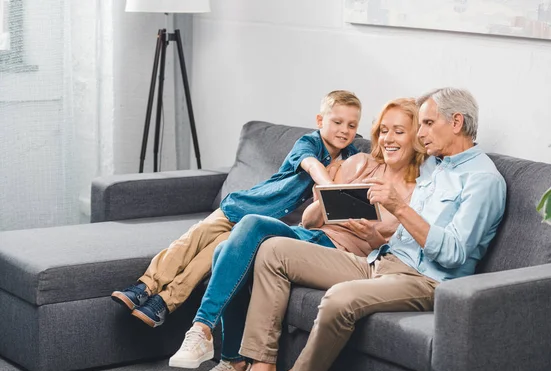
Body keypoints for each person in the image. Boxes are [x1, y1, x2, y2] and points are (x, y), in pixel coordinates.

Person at [203, 87, 507, 371]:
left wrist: (399, 208)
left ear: (456, 122)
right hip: (381, 261)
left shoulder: (483, 181)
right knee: (273, 250)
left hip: (426, 280)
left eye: (427, 123)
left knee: (338, 298)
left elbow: (454, 254)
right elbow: (387, 151)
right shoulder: (435, 164)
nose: (420, 133)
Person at [168, 98, 427, 371]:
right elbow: (309, 220)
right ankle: (225, 355)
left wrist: (370, 233)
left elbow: (387, 249)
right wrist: (326, 202)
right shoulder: (360, 162)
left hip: (340, 254)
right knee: (229, 244)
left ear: (416, 136)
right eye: (383, 130)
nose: (388, 138)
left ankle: (215, 342)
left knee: (242, 234)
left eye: (398, 131)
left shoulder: (418, 190)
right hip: (310, 235)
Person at [110, 90, 362, 327]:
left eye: (352, 125)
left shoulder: (351, 158)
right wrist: (331, 186)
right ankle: (145, 286)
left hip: (257, 228)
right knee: (193, 239)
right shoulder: (308, 143)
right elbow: (311, 165)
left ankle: (164, 303)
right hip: (246, 205)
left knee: (210, 258)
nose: (344, 130)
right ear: (320, 120)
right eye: (337, 122)